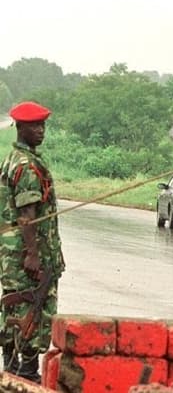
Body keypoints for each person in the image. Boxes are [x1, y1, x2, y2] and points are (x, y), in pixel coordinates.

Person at [0, 101, 64, 383]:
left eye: (43, 125)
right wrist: (33, 255)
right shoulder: (26, 165)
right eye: (34, 126)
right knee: (32, 312)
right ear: (20, 128)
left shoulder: (15, 158)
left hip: (12, 256)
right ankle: (24, 376)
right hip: (27, 256)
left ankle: (12, 373)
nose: (41, 131)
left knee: (16, 308)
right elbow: (28, 215)